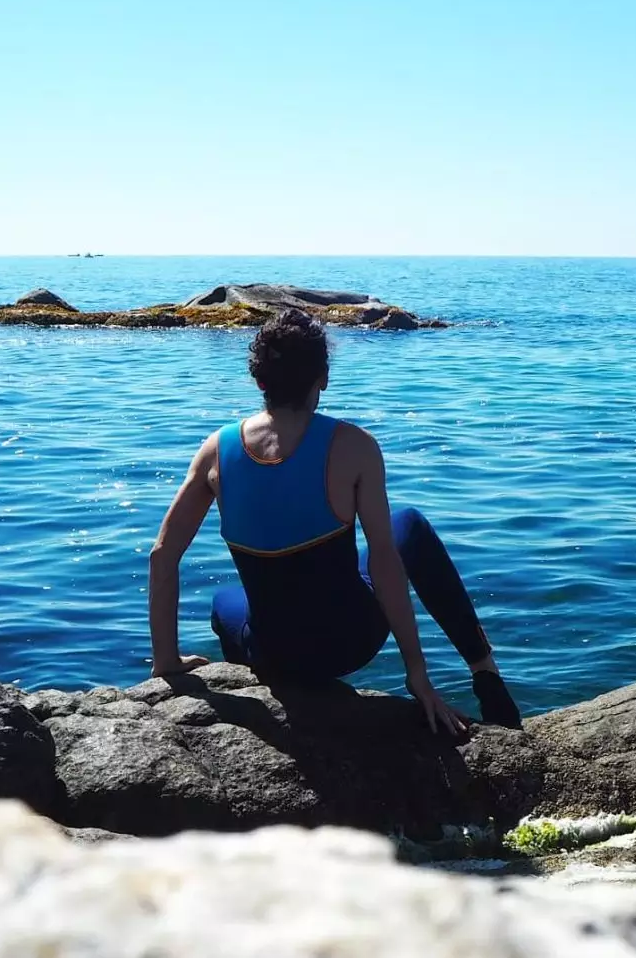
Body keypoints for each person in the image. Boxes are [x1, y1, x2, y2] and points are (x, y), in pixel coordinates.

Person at [147, 308, 522, 735]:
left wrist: (166, 661)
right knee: (408, 526)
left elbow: (163, 555)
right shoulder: (355, 447)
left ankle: (268, 689)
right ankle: (484, 672)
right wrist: (417, 673)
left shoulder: (216, 450)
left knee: (224, 602)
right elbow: (384, 562)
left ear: (259, 380)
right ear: (323, 378)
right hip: (351, 643)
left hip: (274, 653)